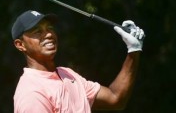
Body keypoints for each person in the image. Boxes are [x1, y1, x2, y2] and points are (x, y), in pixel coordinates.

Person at [11, 10, 145, 113]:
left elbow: (115, 98)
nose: (49, 34)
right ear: (20, 45)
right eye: (37, 31)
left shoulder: (67, 74)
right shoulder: (32, 92)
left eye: (50, 28)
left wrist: (133, 50)